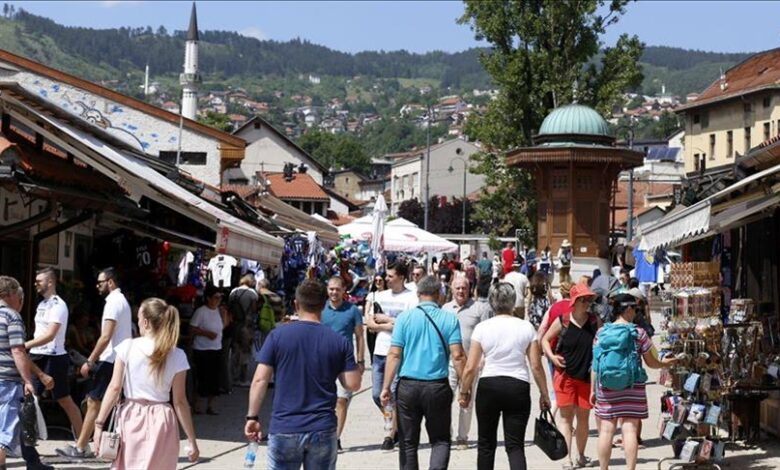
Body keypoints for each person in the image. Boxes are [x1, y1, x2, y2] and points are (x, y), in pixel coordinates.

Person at [245, 280, 362, 469]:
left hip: (285, 426)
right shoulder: (339, 341)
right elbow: (353, 384)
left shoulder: (277, 336)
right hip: (322, 427)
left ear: (296, 304)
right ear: (323, 305)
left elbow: (259, 380)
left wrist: (252, 417)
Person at [94, 298, 199, 469]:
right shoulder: (178, 355)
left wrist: (99, 424)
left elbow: (114, 388)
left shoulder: (126, 347)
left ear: (145, 322)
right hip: (163, 417)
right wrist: (192, 440)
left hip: (131, 415)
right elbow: (180, 401)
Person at [460, 282, 551, 470]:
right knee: (515, 445)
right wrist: (544, 393)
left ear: (492, 302)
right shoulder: (526, 327)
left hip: (489, 385)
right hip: (517, 386)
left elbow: (471, 367)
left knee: (486, 444)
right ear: (513, 301)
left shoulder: (482, 328)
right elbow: (535, 365)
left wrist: (464, 391)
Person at [380, 275, 466, 470]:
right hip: (437, 385)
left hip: (408, 386)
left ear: (419, 294)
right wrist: (465, 388)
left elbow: (394, 354)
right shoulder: (450, 319)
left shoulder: (404, 318)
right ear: (439, 295)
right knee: (440, 440)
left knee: (408, 442)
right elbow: (458, 356)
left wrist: (386, 386)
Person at [594, 294, 676, 470]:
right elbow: (651, 362)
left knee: (606, 430)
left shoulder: (601, 333)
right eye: (635, 309)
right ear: (628, 309)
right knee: (629, 429)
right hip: (632, 386)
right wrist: (665, 364)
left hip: (606, 387)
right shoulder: (638, 333)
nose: (636, 313)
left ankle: (603, 469)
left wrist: (593, 390)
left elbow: (596, 364)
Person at [58, 267, 132, 459]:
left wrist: (89, 361)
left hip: (111, 359)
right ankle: (84, 444)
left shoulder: (114, 302)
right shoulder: (120, 301)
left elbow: (105, 336)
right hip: (117, 358)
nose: (97, 286)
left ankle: (81, 447)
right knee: (100, 402)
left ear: (110, 282)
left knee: (94, 402)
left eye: (100, 283)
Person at [541, 283, 601, 470]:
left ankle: (580, 456)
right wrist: (551, 357)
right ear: (573, 302)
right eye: (582, 300)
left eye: (588, 299)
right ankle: (567, 458)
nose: (586, 303)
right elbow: (543, 339)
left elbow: (601, 344)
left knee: (583, 418)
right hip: (564, 376)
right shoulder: (563, 320)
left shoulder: (594, 321)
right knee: (566, 419)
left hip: (586, 376)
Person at [0, 277, 55, 470]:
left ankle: (32, 461)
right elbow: (17, 350)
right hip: (6, 381)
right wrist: (28, 380)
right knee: (4, 431)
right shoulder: (11, 316)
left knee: (15, 423)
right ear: (12, 294)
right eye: (19, 295)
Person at [25, 267, 83, 439]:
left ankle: (82, 442)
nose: (36, 284)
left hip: (54, 356)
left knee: (64, 399)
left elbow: (50, 334)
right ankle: (26, 441)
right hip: (36, 355)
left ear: (50, 282)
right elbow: (39, 332)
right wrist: (30, 347)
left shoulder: (59, 305)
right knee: (29, 396)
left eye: (39, 281)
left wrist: (25, 344)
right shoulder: (41, 304)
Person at [366, 262, 418, 451]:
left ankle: (390, 433)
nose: (386, 279)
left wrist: (386, 320)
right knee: (376, 394)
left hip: (398, 351)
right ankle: (396, 425)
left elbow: (409, 324)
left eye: (390, 276)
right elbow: (370, 322)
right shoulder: (379, 296)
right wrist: (389, 325)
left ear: (401, 277)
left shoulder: (411, 298)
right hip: (379, 351)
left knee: (393, 393)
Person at [443, 277, 491, 450]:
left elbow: (487, 334)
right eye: (457, 288)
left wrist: (483, 359)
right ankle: (445, 435)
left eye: (464, 288)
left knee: (467, 401)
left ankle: (462, 437)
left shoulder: (480, 308)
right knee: (444, 399)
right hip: (449, 362)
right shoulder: (445, 309)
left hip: (471, 363)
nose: (461, 291)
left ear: (469, 288)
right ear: (452, 289)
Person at [321, 277, 365, 451]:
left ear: (344, 290)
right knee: (324, 402)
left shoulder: (353, 310)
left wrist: (360, 360)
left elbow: (360, 336)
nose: (334, 292)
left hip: (345, 362)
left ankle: (335, 438)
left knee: (341, 400)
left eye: (337, 289)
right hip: (323, 361)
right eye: (331, 289)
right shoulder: (321, 309)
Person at [536, 281, 573, 418]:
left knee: (556, 385)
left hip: (552, 351)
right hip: (572, 352)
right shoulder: (575, 307)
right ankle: (563, 417)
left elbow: (542, 329)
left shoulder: (553, 308)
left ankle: (558, 416)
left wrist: (539, 348)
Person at [190, 285, 224, 415]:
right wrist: (206, 333)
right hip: (202, 349)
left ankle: (210, 405)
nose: (218, 300)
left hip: (216, 348)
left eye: (220, 298)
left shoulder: (219, 311)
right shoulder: (201, 311)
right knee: (201, 377)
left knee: (214, 378)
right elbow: (192, 329)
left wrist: (224, 315)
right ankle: (197, 404)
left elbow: (222, 328)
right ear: (208, 298)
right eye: (216, 298)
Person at [228, 274, 259, 387]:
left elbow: (229, 307)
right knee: (245, 350)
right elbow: (254, 309)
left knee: (235, 349)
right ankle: (243, 378)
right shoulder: (252, 293)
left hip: (234, 324)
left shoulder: (234, 291)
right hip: (246, 324)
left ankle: (233, 376)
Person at [365, 274, 386, 362]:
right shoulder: (371, 295)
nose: (378, 282)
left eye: (380, 280)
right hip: (372, 322)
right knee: (372, 346)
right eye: (376, 280)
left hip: (383, 323)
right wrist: (369, 323)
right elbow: (367, 311)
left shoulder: (388, 294)